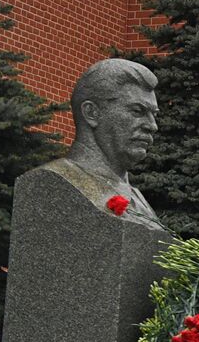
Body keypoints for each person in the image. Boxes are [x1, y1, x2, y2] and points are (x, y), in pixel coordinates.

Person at [43, 58, 163, 227]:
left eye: (154, 115)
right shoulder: (53, 182)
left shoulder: (138, 199)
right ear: (92, 113)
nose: (152, 126)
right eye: (137, 111)